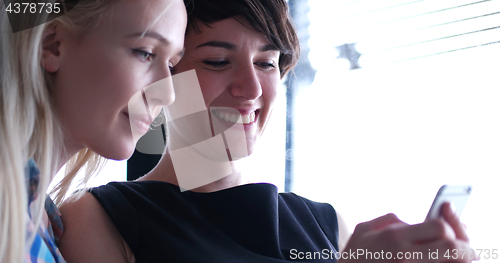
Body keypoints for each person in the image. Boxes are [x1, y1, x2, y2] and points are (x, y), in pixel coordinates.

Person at [58, 0, 477, 262]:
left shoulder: (329, 226)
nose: (252, 89)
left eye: (267, 63)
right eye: (217, 62)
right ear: (163, 72)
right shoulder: (97, 219)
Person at [0, 0, 187, 262]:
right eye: (145, 52)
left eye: (171, 66)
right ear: (51, 45)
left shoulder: (43, 220)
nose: (167, 94)